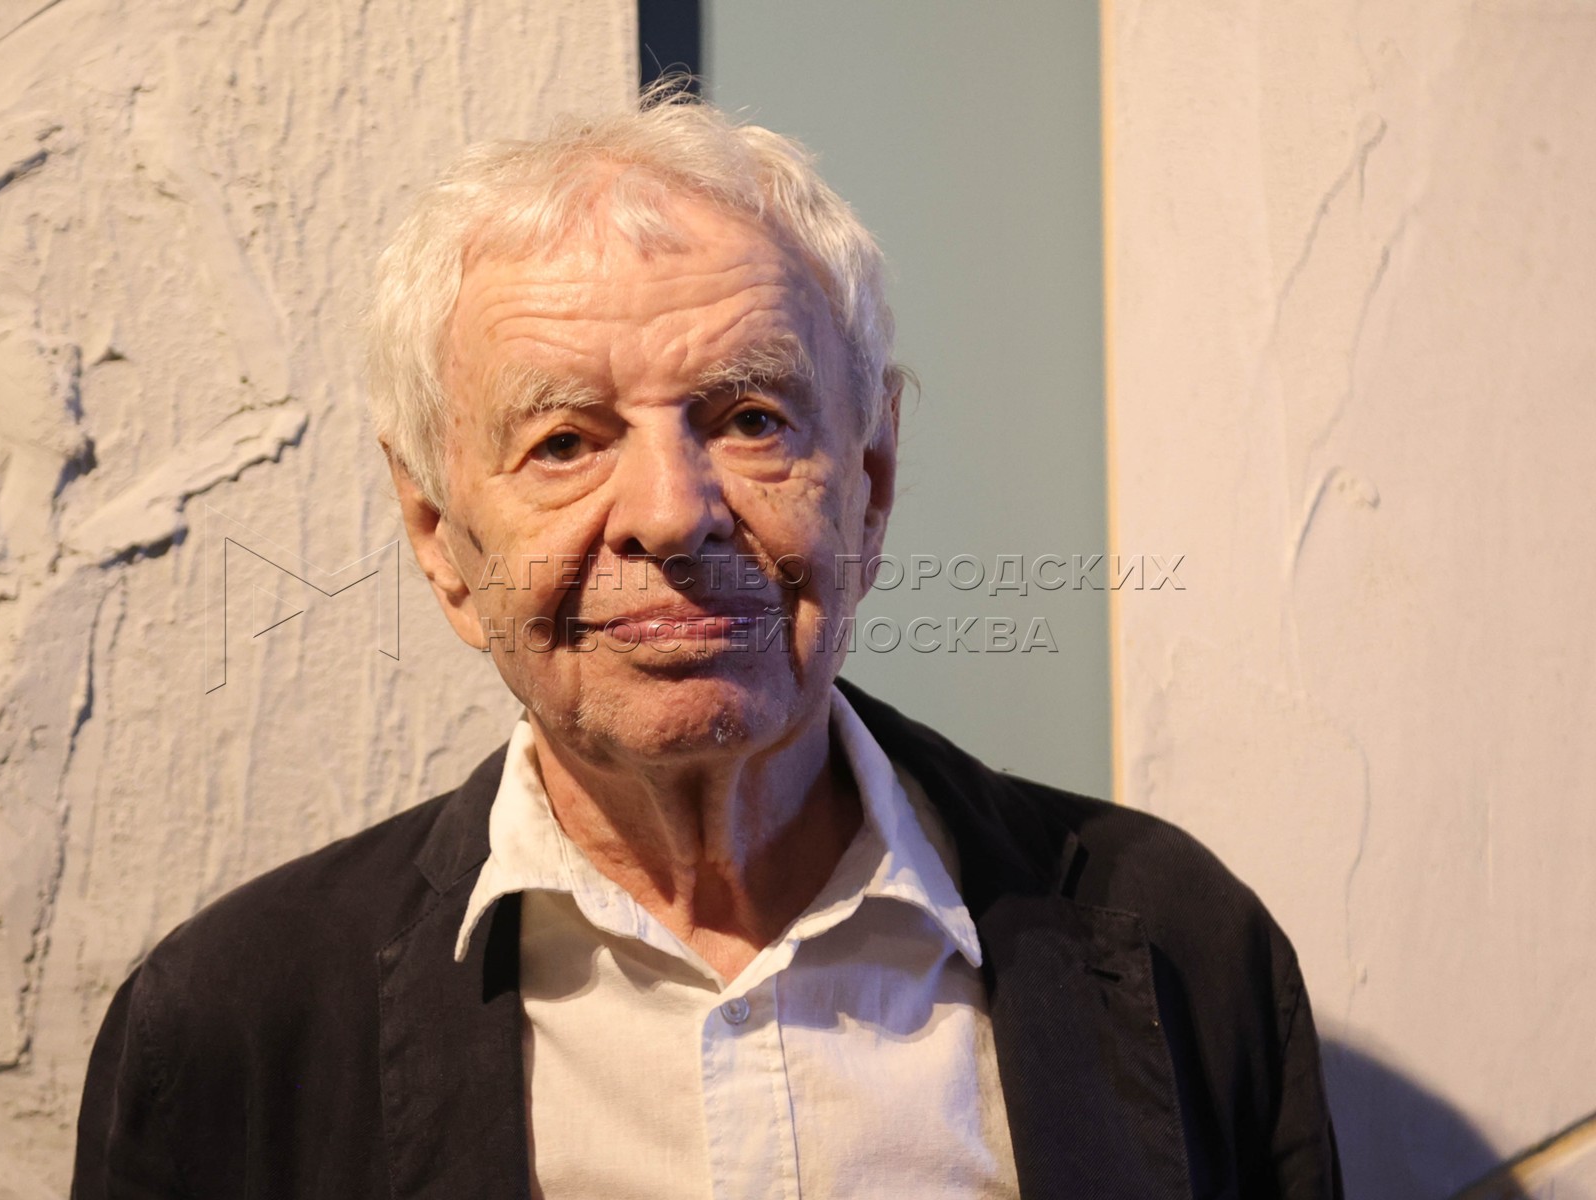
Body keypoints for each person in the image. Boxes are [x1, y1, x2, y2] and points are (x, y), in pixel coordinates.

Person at [73, 92, 1342, 1199]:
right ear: (439, 538)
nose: (673, 514)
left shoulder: (1183, 946)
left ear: (870, 484)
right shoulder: (232, 1031)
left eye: (749, 417)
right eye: (564, 442)